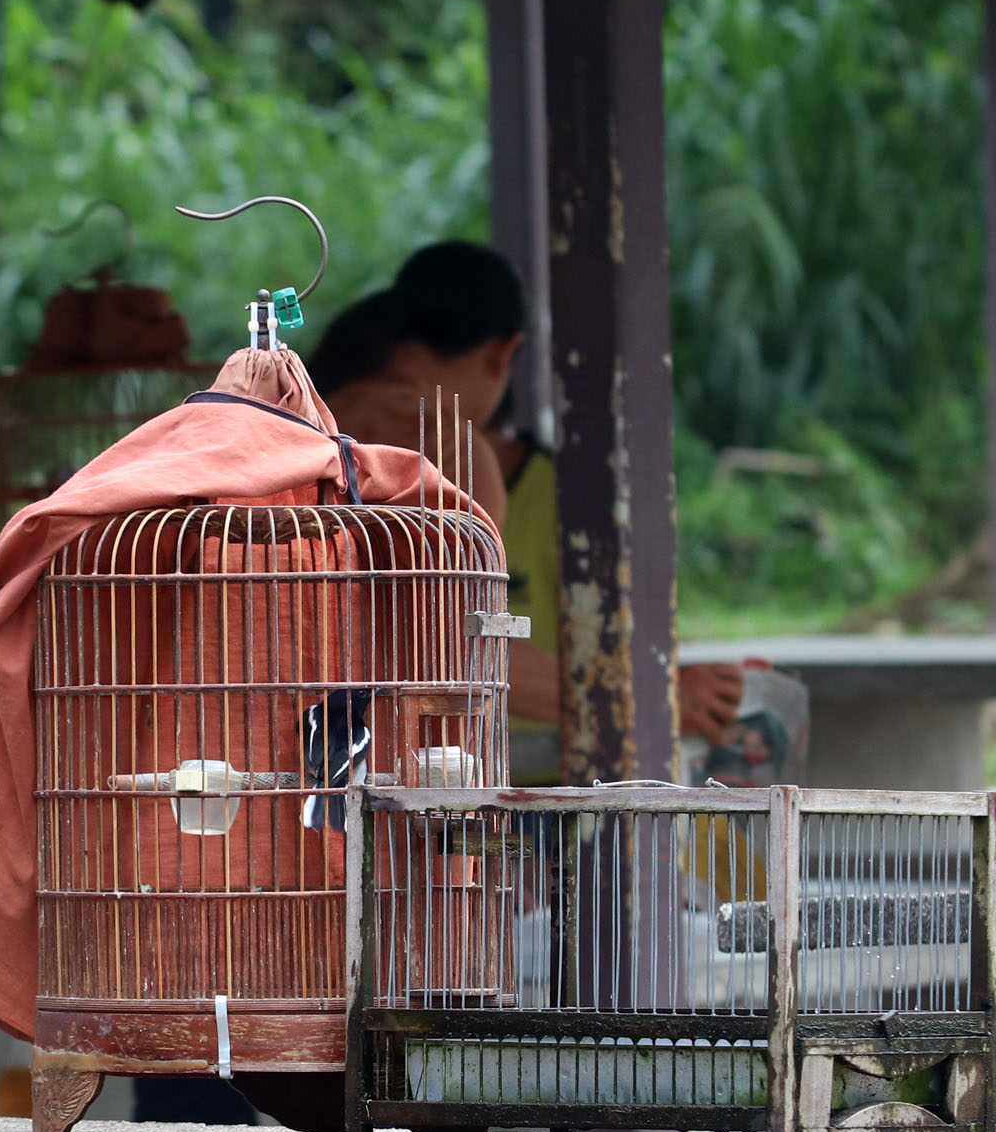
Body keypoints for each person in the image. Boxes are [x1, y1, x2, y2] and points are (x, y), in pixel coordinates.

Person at [312, 241, 744, 770]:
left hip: (289, 759)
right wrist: (650, 696)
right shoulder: (452, 452)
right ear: (504, 353)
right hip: (410, 782)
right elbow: (459, 644)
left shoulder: (300, 421)